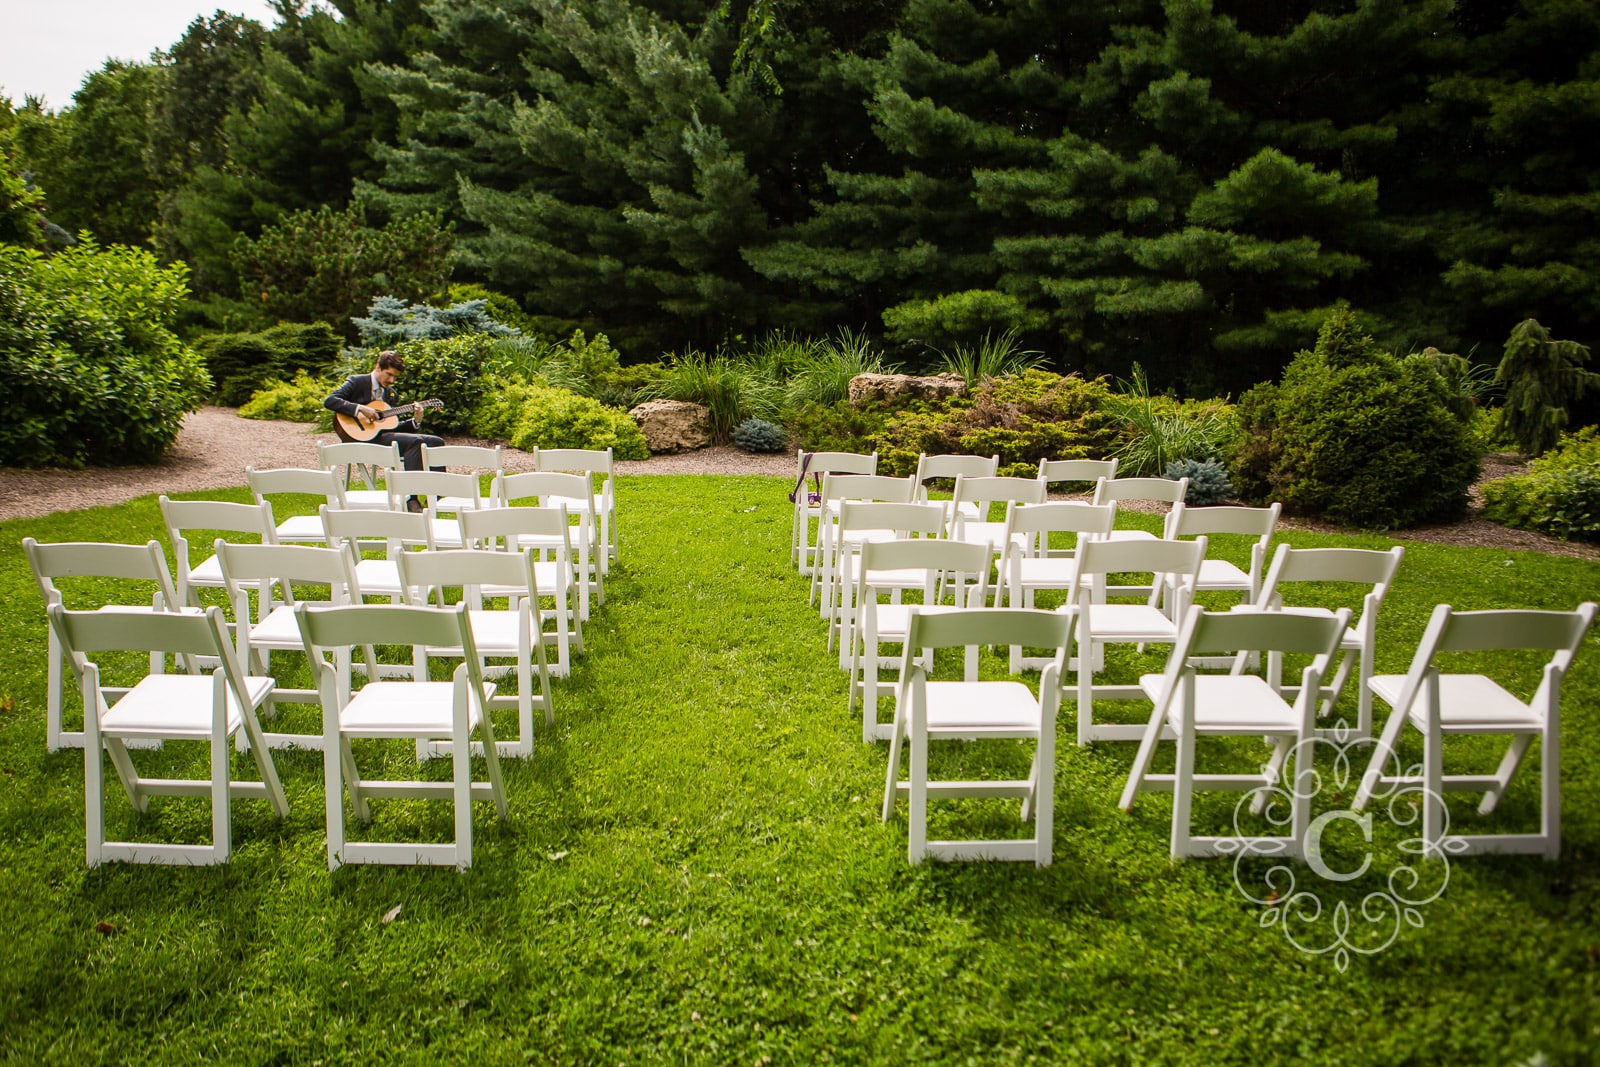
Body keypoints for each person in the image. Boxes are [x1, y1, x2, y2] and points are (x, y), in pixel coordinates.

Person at [324, 350, 444, 512]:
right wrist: (360, 409)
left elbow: (392, 427)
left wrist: (416, 420)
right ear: (378, 368)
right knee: (416, 442)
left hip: (380, 437)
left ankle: (437, 496)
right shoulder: (357, 382)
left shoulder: (390, 394)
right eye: (388, 374)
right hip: (357, 438)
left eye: (395, 377)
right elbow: (330, 400)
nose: (391, 380)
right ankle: (410, 498)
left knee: (436, 441)